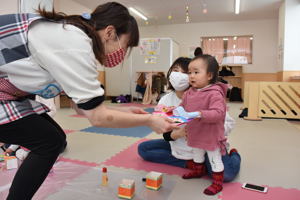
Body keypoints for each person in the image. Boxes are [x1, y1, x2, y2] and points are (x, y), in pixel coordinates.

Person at [0, 2, 176, 199]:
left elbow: (81, 105)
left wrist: (126, 113)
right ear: (110, 32)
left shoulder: (71, 34)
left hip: (9, 91)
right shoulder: (74, 43)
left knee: (54, 140)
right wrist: (149, 121)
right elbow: (98, 118)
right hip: (5, 93)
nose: (121, 53)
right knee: (49, 142)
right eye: (124, 45)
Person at [138, 56, 240, 192]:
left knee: (226, 175)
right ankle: (189, 164)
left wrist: (204, 128)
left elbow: (225, 121)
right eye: (175, 70)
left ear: (206, 75)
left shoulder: (210, 94)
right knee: (144, 149)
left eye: (187, 72)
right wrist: (178, 132)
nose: (180, 75)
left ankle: (234, 155)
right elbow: (166, 134)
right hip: (181, 146)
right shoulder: (167, 99)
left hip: (207, 145)